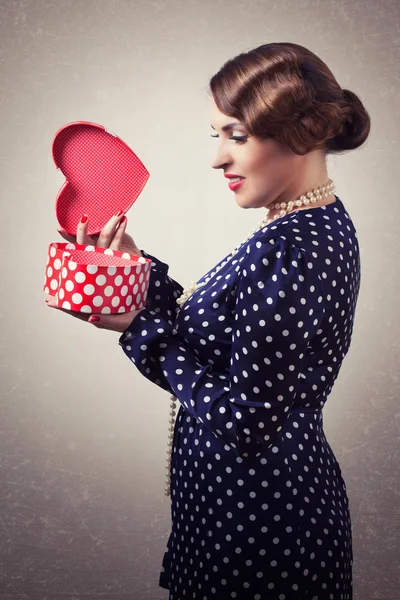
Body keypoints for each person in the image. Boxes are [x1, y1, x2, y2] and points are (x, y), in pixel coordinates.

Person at [47, 41, 371, 600]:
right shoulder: (307, 228)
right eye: (216, 136)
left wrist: (136, 328)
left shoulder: (291, 251)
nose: (218, 158)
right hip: (241, 515)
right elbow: (217, 340)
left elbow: (245, 422)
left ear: (301, 133)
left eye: (237, 136)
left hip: (257, 534)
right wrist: (136, 270)